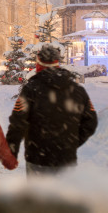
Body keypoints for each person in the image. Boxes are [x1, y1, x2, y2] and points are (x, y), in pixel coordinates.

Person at [6, 44, 98, 177]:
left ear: (39, 64)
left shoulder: (31, 90)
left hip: (38, 158)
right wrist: (72, 143)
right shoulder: (77, 90)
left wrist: (10, 152)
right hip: (66, 160)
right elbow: (90, 122)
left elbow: (18, 122)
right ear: (57, 64)